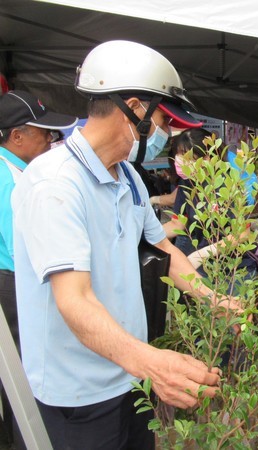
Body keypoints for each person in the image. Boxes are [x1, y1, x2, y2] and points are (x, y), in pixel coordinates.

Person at [11, 40, 240, 450]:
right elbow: (74, 300)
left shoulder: (128, 178)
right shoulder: (55, 185)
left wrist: (215, 300)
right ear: (134, 108)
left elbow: (165, 252)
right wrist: (155, 364)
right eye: (165, 123)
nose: (167, 137)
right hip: (81, 392)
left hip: (130, 375)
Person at [0, 90, 77, 448]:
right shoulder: (8, 178)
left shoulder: (15, 169)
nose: (51, 138)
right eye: (42, 131)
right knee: (22, 380)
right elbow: (21, 251)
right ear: (16, 136)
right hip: (11, 287)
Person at [163, 128, 258, 282]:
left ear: (207, 157)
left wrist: (201, 254)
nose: (181, 161)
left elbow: (242, 234)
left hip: (235, 270)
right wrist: (146, 236)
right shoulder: (187, 183)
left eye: (188, 156)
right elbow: (177, 223)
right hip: (208, 267)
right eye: (179, 155)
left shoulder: (229, 183)